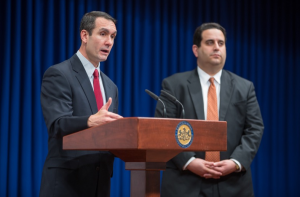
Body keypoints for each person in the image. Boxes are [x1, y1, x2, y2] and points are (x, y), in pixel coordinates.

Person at [155, 23, 264, 197]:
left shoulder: (245, 87)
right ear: (195, 49)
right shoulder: (174, 85)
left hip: (233, 184)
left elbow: (255, 129)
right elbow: (163, 129)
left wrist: (235, 162)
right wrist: (189, 161)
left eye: (221, 43)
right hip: (185, 182)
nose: (216, 48)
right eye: (210, 42)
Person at [39, 11, 123, 197]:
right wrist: (91, 121)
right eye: (103, 34)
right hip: (66, 183)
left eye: (113, 36)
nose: (109, 42)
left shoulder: (111, 86)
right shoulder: (59, 74)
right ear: (84, 35)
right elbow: (57, 124)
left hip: (100, 185)